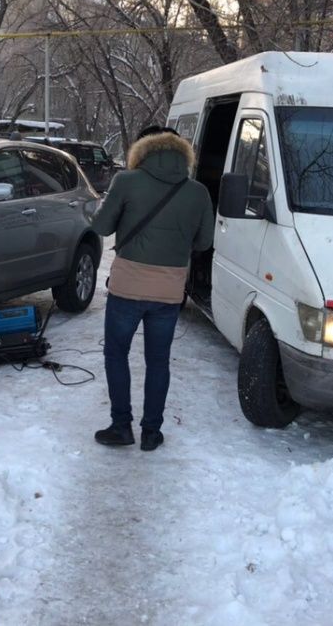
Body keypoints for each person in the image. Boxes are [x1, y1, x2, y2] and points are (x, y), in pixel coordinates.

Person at [90, 126, 214, 451]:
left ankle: (121, 426)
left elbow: (100, 226)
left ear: (142, 151)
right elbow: (205, 242)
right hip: (169, 291)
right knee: (158, 361)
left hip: (127, 287)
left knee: (116, 354)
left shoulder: (126, 182)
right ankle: (151, 433)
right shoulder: (198, 192)